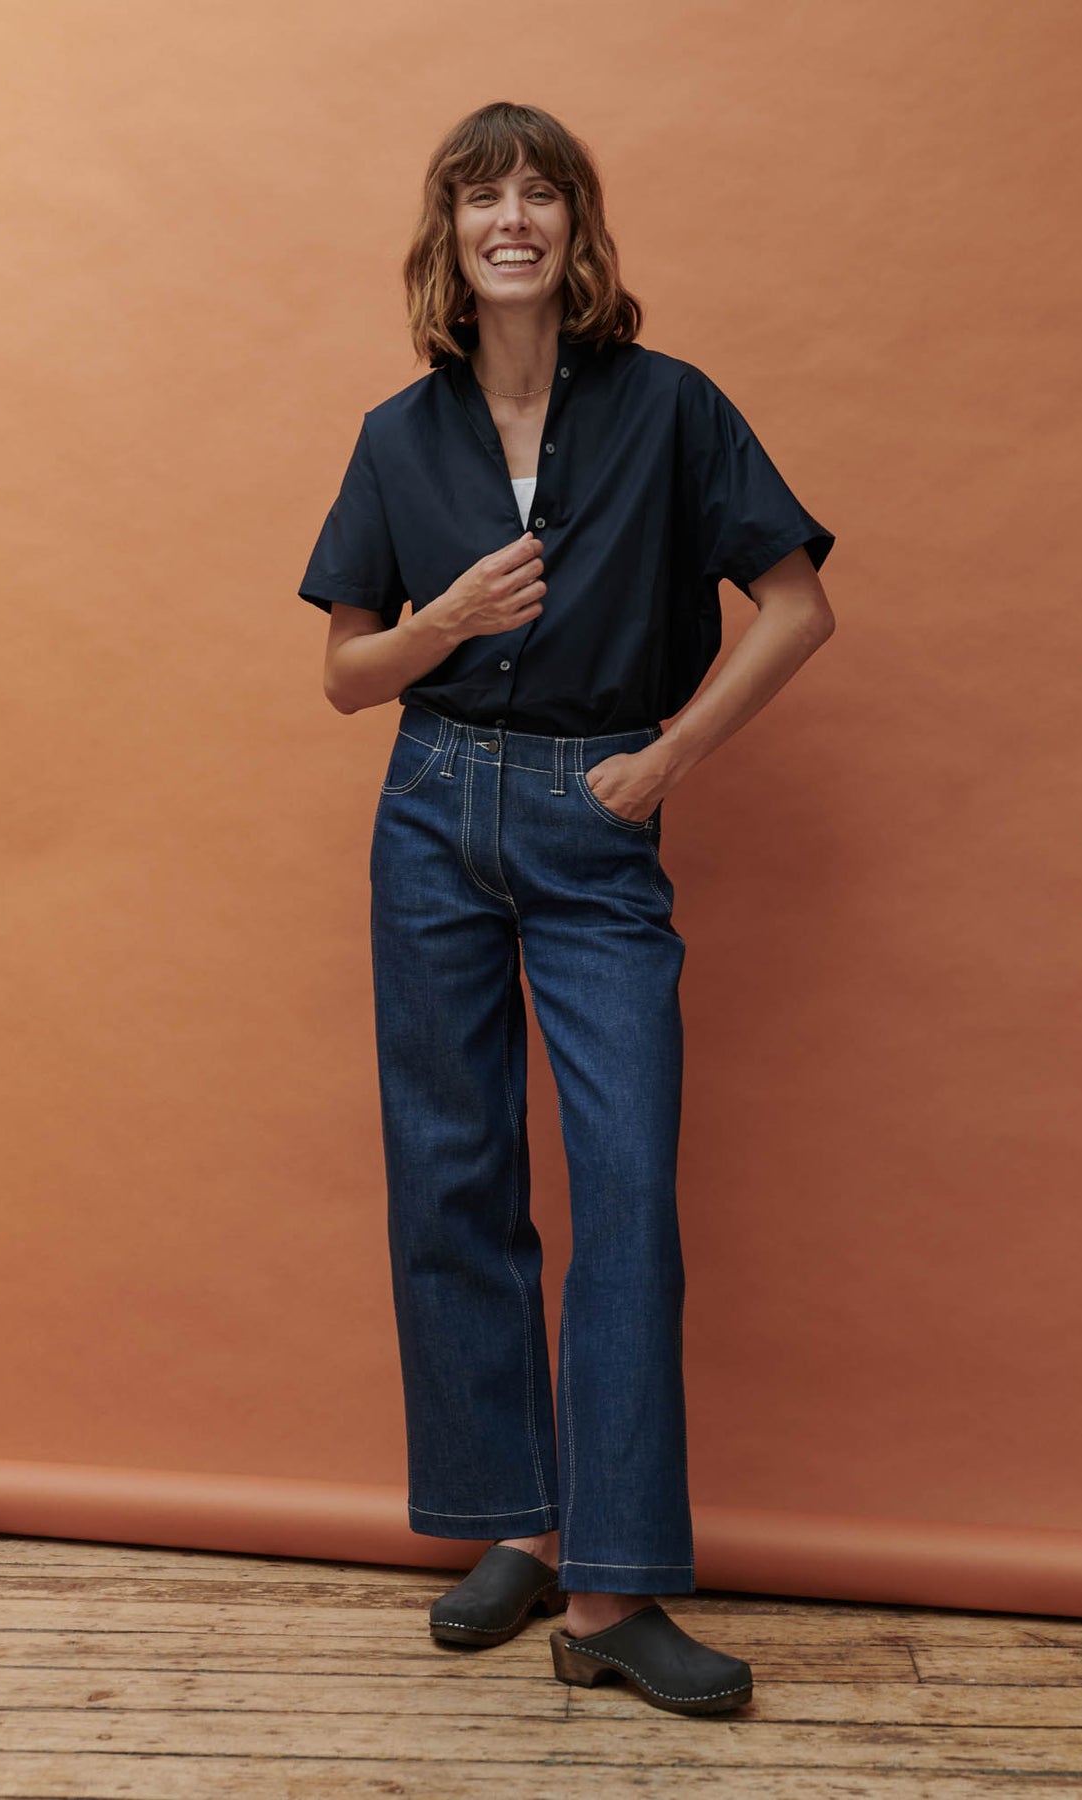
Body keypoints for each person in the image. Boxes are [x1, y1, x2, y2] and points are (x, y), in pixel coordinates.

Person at [298, 100, 835, 1718]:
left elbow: (799, 606)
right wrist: (442, 619)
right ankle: (516, 1533)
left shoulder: (671, 410)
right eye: (483, 196)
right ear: (448, 237)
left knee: (621, 1196)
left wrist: (667, 758)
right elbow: (342, 675)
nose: (512, 218)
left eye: (541, 192)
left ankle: (614, 1592)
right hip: (431, 812)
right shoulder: (401, 437)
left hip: (598, 817)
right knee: (453, 1179)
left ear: (576, 229)